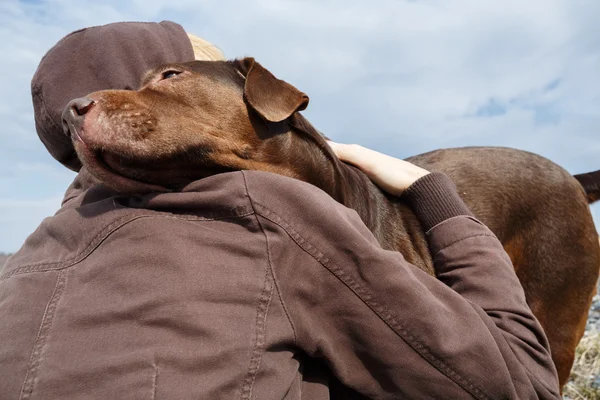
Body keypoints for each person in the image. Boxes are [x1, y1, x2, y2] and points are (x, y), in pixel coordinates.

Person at [0, 21, 561, 399]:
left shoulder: (24, 261)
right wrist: (435, 196)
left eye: (172, 78)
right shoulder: (268, 215)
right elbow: (522, 383)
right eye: (167, 74)